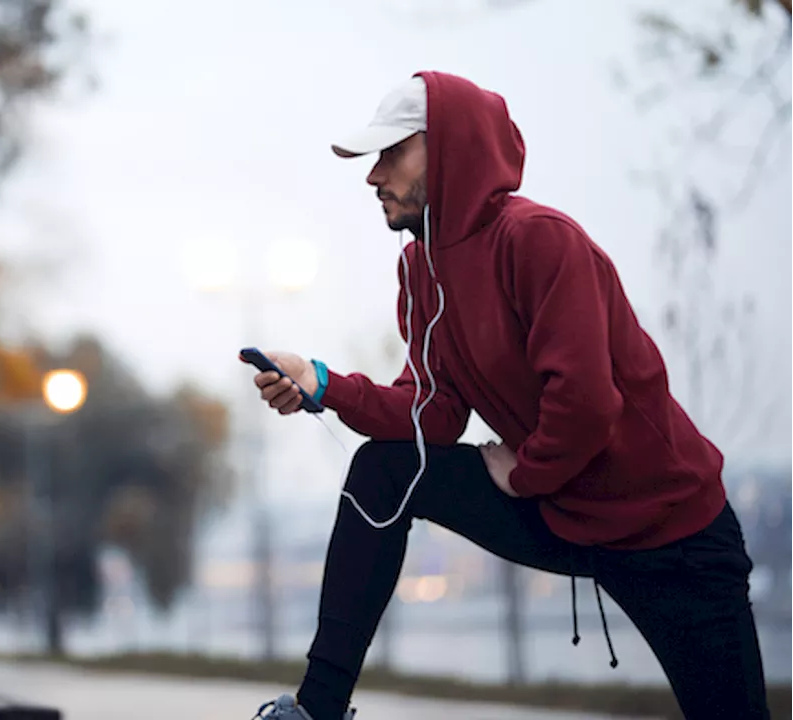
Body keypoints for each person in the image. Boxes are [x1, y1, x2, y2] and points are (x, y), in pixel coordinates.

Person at [244, 71, 769, 720]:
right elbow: (432, 414)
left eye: (391, 154)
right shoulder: (420, 267)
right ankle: (318, 707)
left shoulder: (538, 239)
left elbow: (585, 404)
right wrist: (321, 383)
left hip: (672, 534)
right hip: (562, 511)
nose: (373, 177)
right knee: (387, 468)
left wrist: (525, 474)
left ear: (450, 149)